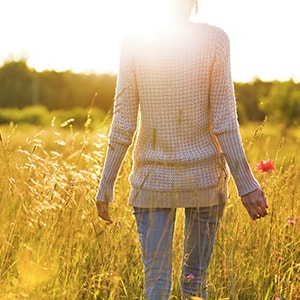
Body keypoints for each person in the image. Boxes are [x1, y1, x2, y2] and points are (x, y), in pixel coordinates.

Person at [96, 0, 268, 299]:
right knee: (193, 284)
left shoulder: (135, 42)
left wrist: (106, 185)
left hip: (152, 182)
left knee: (156, 283)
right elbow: (224, 120)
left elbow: (123, 122)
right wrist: (247, 185)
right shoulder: (215, 39)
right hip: (205, 182)